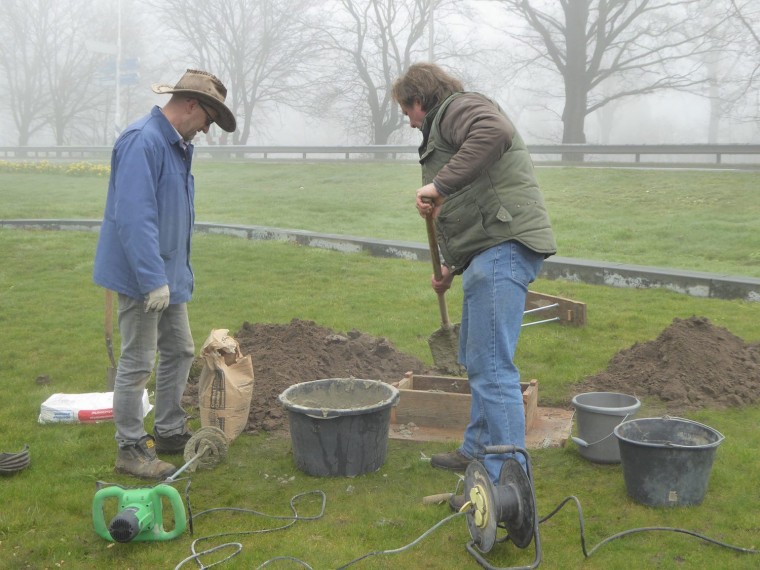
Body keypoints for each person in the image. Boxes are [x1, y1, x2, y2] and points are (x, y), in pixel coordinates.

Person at [392, 63, 556, 509]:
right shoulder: (447, 123)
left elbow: (494, 131)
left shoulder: (460, 108)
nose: (407, 120)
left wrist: (439, 184)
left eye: (406, 110)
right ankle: (476, 450)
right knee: (476, 357)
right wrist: (450, 266)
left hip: (504, 248)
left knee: (492, 368)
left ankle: (508, 483)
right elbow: (474, 205)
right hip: (489, 251)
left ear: (418, 100)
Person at [93, 69, 236, 479]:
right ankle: (131, 448)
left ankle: (170, 429)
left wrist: (170, 277)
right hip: (144, 277)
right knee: (138, 360)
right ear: (191, 104)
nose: (206, 130)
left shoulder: (173, 144)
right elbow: (135, 217)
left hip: (168, 275)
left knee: (180, 349)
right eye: (208, 120)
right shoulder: (144, 140)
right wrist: (152, 278)